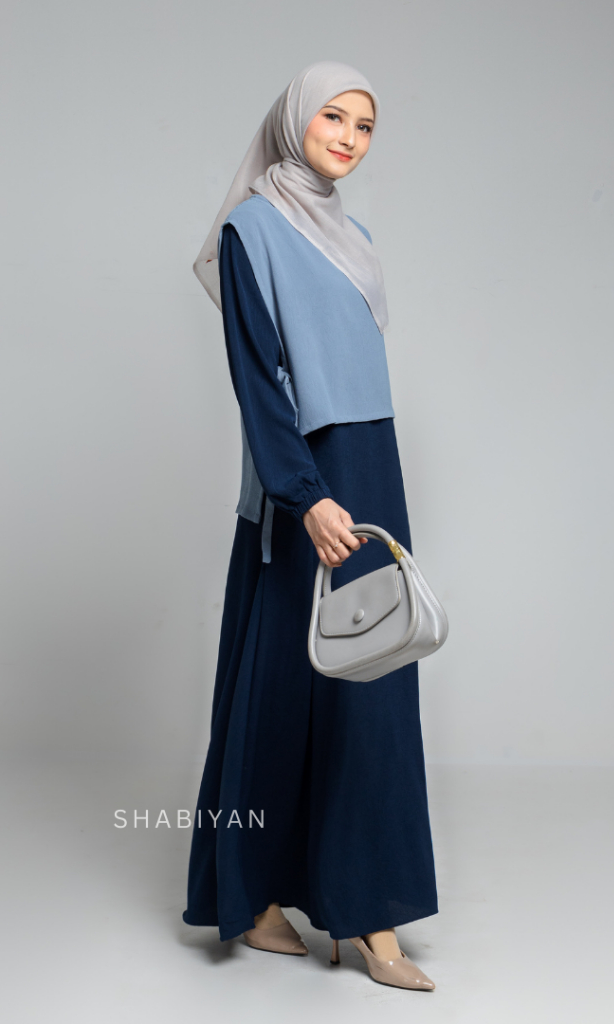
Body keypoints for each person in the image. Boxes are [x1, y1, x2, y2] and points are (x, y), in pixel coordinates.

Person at [182, 61, 438, 992]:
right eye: (333, 117)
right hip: (304, 475)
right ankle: (253, 896)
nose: (349, 138)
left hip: (371, 464)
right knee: (280, 684)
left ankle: (367, 913)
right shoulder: (250, 228)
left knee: (372, 680)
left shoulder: (354, 235)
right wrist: (305, 494)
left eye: (365, 126)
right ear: (295, 120)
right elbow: (258, 377)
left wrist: (356, 487)